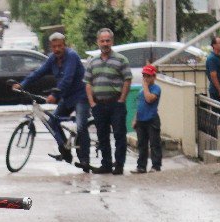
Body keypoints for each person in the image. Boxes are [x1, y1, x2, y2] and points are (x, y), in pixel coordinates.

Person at [12, 32, 90, 170]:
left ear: (64, 45)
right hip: (66, 97)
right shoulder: (52, 59)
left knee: (81, 126)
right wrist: (22, 84)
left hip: (80, 96)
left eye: (60, 46)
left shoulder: (71, 56)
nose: (57, 49)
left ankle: (84, 159)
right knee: (53, 121)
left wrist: (54, 94)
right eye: (54, 47)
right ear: (51, 47)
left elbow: (68, 78)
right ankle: (65, 149)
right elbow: (39, 72)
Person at [85, 27, 132, 175]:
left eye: (108, 40)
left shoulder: (121, 60)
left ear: (112, 41)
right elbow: (88, 83)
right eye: (102, 40)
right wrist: (92, 103)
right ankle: (106, 164)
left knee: (119, 135)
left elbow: (127, 80)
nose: (105, 43)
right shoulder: (92, 62)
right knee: (102, 136)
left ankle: (119, 165)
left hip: (116, 103)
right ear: (98, 42)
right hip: (99, 105)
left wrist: (122, 99)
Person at [132, 64, 161, 174]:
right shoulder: (141, 90)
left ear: (154, 77)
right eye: (144, 76)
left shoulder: (156, 88)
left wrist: (145, 86)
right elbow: (139, 104)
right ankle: (141, 166)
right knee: (142, 144)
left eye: (148, 76)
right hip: (141, 119)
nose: (146, 78)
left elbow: (149, 99)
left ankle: (156, 165)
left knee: (154, 144)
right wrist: (135, 118)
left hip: (151, 119)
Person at [206, 35, 220, 104]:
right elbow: (213, 76)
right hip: (216, 92)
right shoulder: (212, 59)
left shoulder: (218, 58)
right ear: (214, 45)